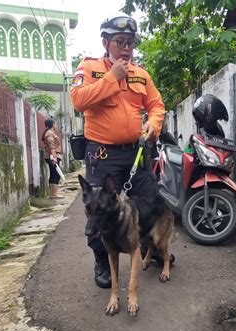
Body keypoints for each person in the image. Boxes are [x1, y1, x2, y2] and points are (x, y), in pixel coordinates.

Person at [70, 13, 174, 288]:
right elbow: (78, 100)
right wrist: (112, 78)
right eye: (120, 42)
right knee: (99, 209)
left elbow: (156, 105)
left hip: (136, 152)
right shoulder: (90, 68)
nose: (127, 48)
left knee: (150, 201)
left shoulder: (141, 74)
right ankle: (102, 260)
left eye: (130, 42)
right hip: (102, 154)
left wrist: (153, 124)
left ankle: (153, 247)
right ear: (106, 43)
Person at [42, 117, 63, 199]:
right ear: (53, 124)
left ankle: (52, 194)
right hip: (52, 156)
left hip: (50, 155)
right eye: (55, 123)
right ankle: (54, 194)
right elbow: (51, 146)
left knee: (53, 173)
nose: (56, 125)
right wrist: (54, 157)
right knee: (56, 174)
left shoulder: (49, 132)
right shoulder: (50, 133)